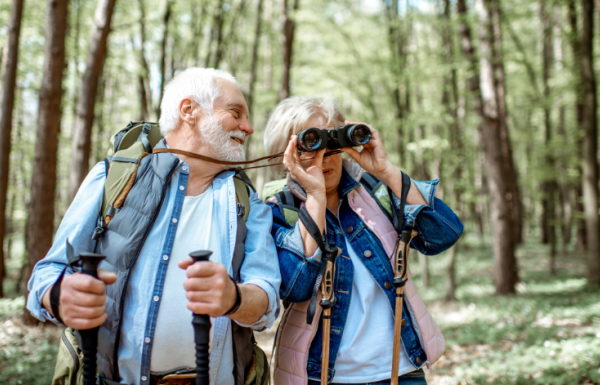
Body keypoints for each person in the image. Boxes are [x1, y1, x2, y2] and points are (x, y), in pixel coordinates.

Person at [27, 68, 281, 385]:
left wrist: (234, 298)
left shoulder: (249, 202)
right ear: (189, 111)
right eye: (235, 113)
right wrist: (59, 295)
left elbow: (267, 304)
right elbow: (46, 275)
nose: (249, 127)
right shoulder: (112, 178)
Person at [262, 97, 463, 385]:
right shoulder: (280, 211)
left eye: (331, 142)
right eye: (311, 143)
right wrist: (316, 198)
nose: (324, 156)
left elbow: (443, 235)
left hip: (401, 371)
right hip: (323, 376)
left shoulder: (375, 193)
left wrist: (387, 171)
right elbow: (295, 285)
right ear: (286, 154)